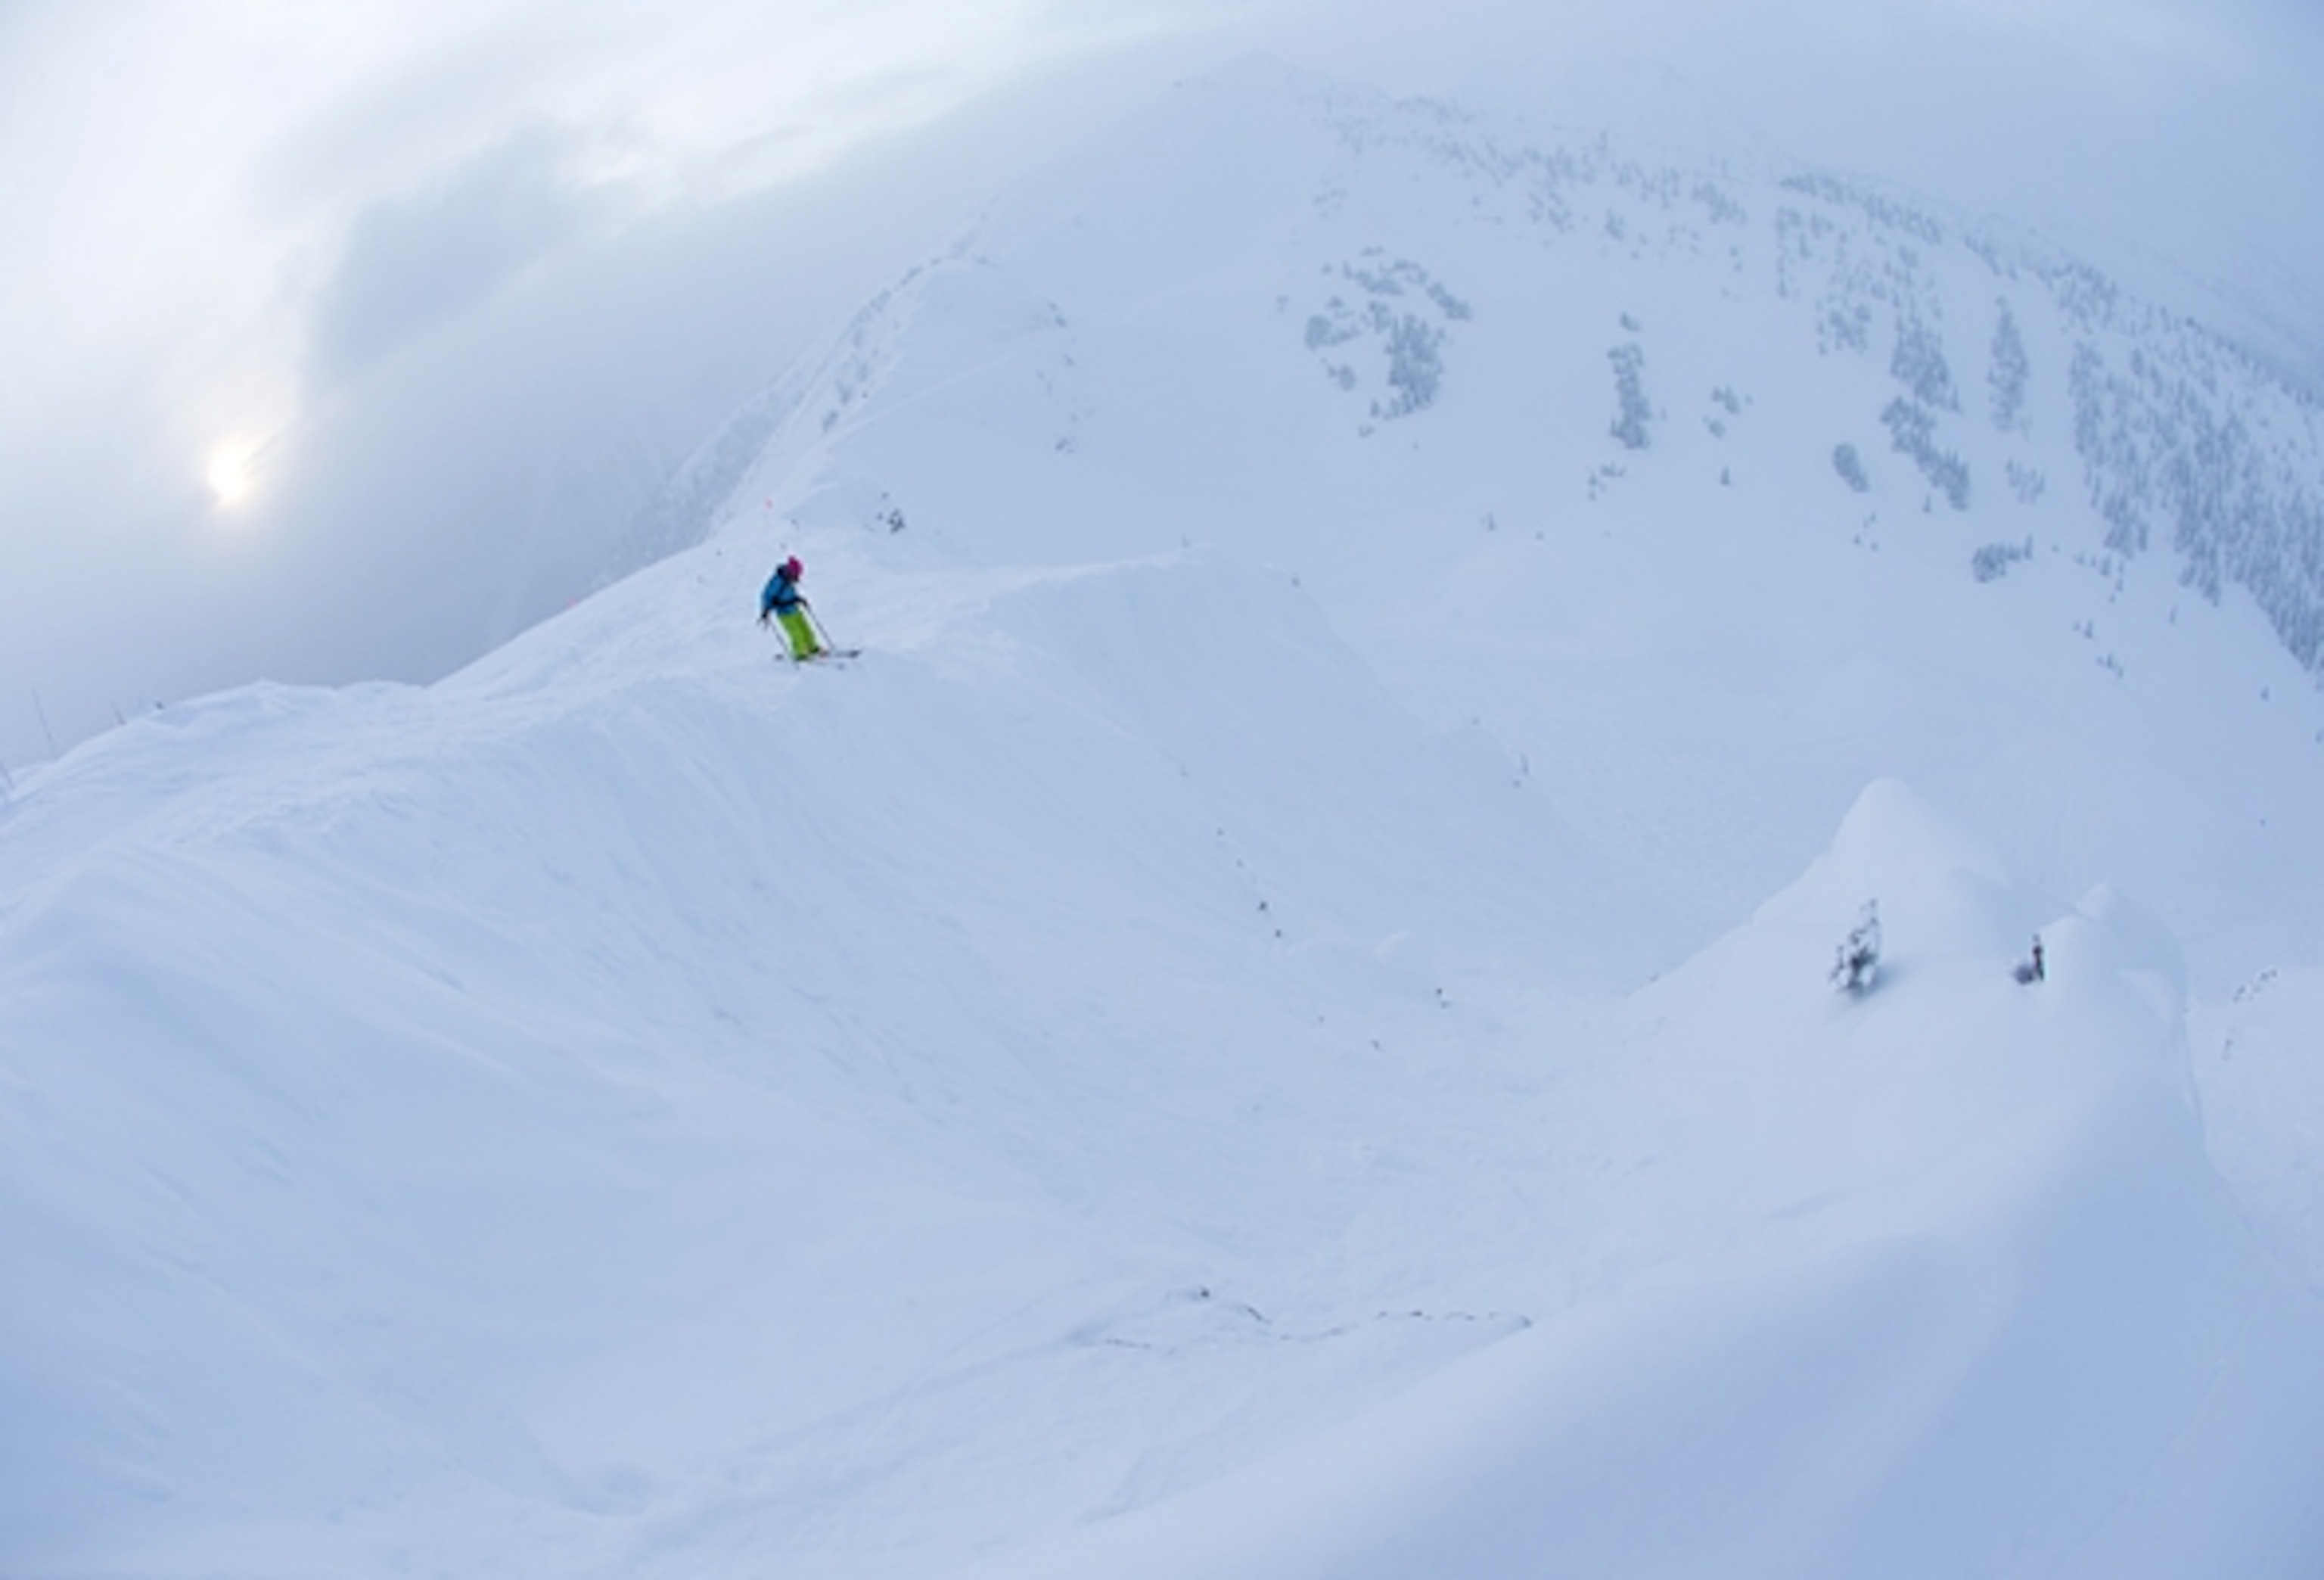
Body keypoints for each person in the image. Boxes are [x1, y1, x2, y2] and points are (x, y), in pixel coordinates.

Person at [758, 555, 825, 661]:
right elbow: (767, 595)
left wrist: (799, 599)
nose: (797, 577)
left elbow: (790, 594)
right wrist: (766, 609)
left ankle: (812, 647)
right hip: (784, 614)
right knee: (796, 633)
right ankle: (800, 653)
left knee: (805, 628)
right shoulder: (778, 581)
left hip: (794, 609)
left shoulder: (789, 580)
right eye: (797, 574)